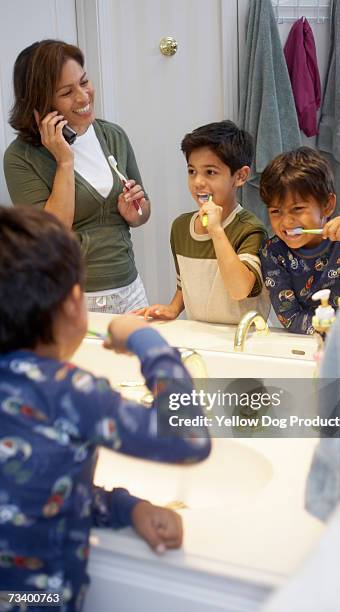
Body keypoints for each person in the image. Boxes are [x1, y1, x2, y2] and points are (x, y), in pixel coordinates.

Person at [0, 207, 211, 611]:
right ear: (73, 304)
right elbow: (188, 437)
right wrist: (148, 342)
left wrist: (122, 507)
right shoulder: (68, 392)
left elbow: (29, 489)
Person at [3, 39, 150, 314]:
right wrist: (65, 160)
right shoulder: (21, 157)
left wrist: (136, 212)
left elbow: (143, 212)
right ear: (41, 104)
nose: (83, 97)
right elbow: (50, 234)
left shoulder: (112, 135)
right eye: (67, 92)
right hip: (75, 301)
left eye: (84, 82)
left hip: (131, 291)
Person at [135, 120, 270, 324]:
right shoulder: (180, 227)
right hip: (200, 337)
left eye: (210, 172)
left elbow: (239, 290)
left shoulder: (251, 229)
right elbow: (185, 284)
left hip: (245, 339)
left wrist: (216, 230)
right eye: (192, 171)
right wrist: (173, 308)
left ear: (240, 176)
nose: (198, 182)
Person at [259, 147, 340, 334]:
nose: (286, 222)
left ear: (327, 205)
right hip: (314, 344)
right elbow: (291, 317)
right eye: (275, 211)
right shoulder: (272, 252)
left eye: (297, 209)